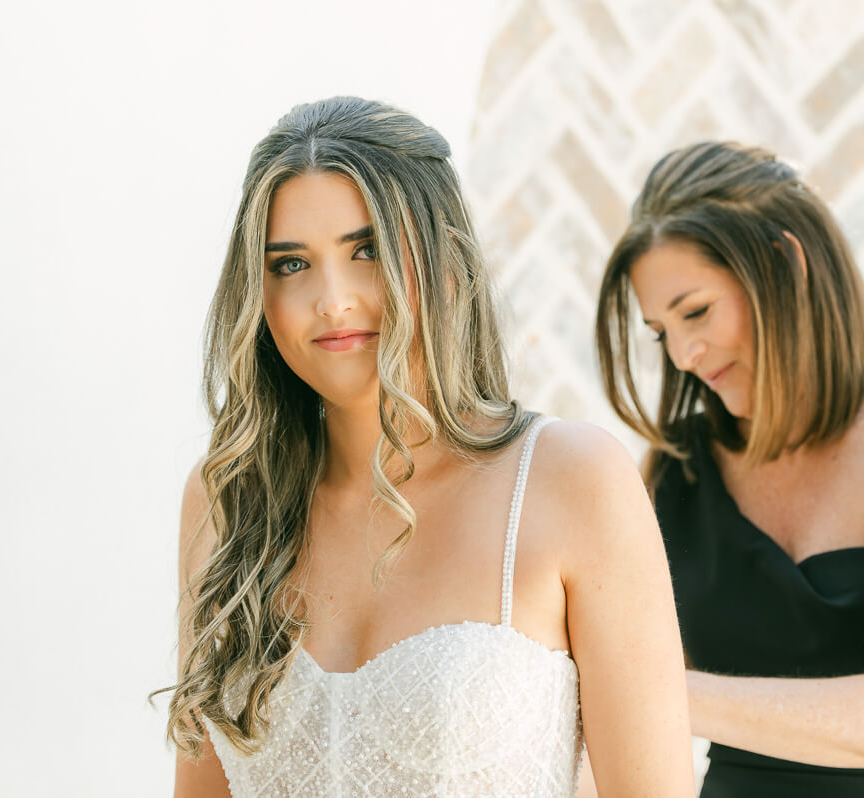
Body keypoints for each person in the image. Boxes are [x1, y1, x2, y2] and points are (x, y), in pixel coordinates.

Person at [158, 97, 694, 797]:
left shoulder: (571, 480)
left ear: (443, 258)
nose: (333, 300)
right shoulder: (226, 497)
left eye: (368, 250)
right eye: (291, 265)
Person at [594, 141, 864, 797]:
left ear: (785, 262)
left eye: (695, 312)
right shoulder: (676, 473)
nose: (683, 354)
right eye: (660, 331)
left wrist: (633, 688)